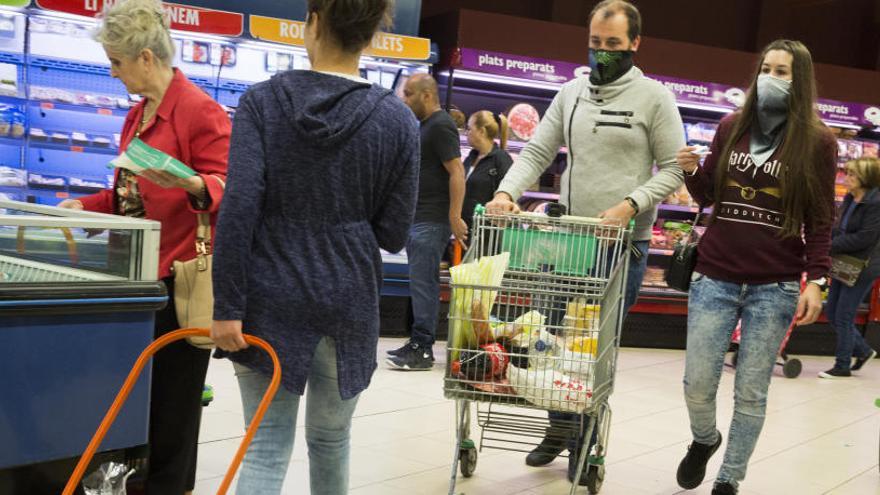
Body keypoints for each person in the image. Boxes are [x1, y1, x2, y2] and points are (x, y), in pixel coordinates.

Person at [209, 0, 419, 493]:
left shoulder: (261, 103)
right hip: (349, 301)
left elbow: (238, 209)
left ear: (314, 22)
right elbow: (393, 232)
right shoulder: (398, 121)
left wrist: (227, 305)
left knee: (264, 447)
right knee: (331, 441)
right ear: (371, 35)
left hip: (268, 297)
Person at [486, 0, 685, 484]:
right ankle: (559, 428)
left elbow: (675, 167)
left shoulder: (655, 97)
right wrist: (505, 191)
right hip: (566, 241)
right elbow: (537, 149)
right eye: (595, 44)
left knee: (591, 350)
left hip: (621, 243)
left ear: (635, 43)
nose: (603, 53)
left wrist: (629, 204)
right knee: (545, 340)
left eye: (613, 45)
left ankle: (585, 437)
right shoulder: (571, 92)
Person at [58, 1, 230, 493]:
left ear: (148, 58)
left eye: (117, 62)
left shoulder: (200, 111)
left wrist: (190, 182)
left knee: (174, 409)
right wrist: (85, 207)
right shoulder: (137, 115)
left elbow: (227, 187)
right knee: (138, 406)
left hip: (176, 283)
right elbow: (124, 196)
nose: (112, 72)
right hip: (134, 279)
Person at [675, 40, 836, 495]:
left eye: (782, 72)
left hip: (776, 286)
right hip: (715, 276)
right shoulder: (732, 126)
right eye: (766, 69)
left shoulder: (818, 143)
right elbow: (710, 194)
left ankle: (729, 479)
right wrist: (691, 170)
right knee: (698, 384)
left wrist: (817, 280)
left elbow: (821, 218)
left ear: (799, 80)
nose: (771, 77)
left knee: (751, 392)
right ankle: (705, 440)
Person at [385, 73, 468, 371]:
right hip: (419, 217)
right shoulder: (426, 126)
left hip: (431, 220)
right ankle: (419, 342)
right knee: (421, 283)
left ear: (426, 95)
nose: (404, 99)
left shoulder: (441, 125)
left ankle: (422, 347)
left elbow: (457, 171)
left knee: (424, 285)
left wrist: (454, 216)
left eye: (409, 94)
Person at [819, 157, 880, 378]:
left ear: (865, 178)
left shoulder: (875, 202)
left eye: (852, 174)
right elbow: (840, 228)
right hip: (845, 261)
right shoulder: (851, 197)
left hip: (863, 266)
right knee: (833, 313)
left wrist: (828, 246)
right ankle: (863, 351)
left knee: (844, 315)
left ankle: (842, 365)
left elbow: (865, 238)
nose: (847, 177)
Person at [462, 110, 513, 233]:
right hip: (466, 230)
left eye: (469, 129)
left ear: (481, 131)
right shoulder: (471, 157)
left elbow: (508, 198)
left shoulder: (501, 159)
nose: (466, 133)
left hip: (488, 234)